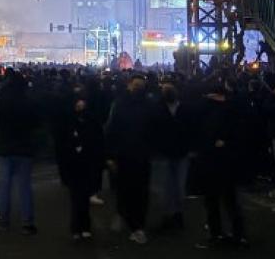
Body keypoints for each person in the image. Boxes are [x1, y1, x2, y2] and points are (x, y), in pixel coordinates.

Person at [193, 81, 247, 249]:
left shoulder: (204, 109)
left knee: (212, 201)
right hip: (229, 163)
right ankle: (238, 235)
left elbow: (200, 134)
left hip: (209, 162)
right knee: (231, 200)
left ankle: (216, 234)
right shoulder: (234, 109)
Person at [0, 71, 40, 235]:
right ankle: (27, 222)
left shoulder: (2, 102)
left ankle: (4, 220)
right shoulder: (29, 102)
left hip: (5, 148)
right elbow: (37, 124)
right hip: (24, 148)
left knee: (5, 185)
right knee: (25, 186)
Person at [106, 75, 153, 244]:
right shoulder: (145, 105)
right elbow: (112, 130)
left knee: (134, 191)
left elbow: (111, 129)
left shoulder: (122, 104)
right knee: (133, 191)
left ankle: (134, 224)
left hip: (133, 155)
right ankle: (133, 223)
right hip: (131, 155)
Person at [57, 97, 106, 241]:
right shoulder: (89, 121)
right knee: (80, 197)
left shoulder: (70, 122)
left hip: (79, 164)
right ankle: (82, 227)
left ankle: (78, 227)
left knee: (79, 197)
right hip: (81, 164)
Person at [149, 78, 191, 231]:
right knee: (166, 187)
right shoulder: (157, 108)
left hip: (180, 152)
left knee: (178, 186)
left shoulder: (183, 108)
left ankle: (177, 215)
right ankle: (169, 216)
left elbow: (191, 128)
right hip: (164, 153)